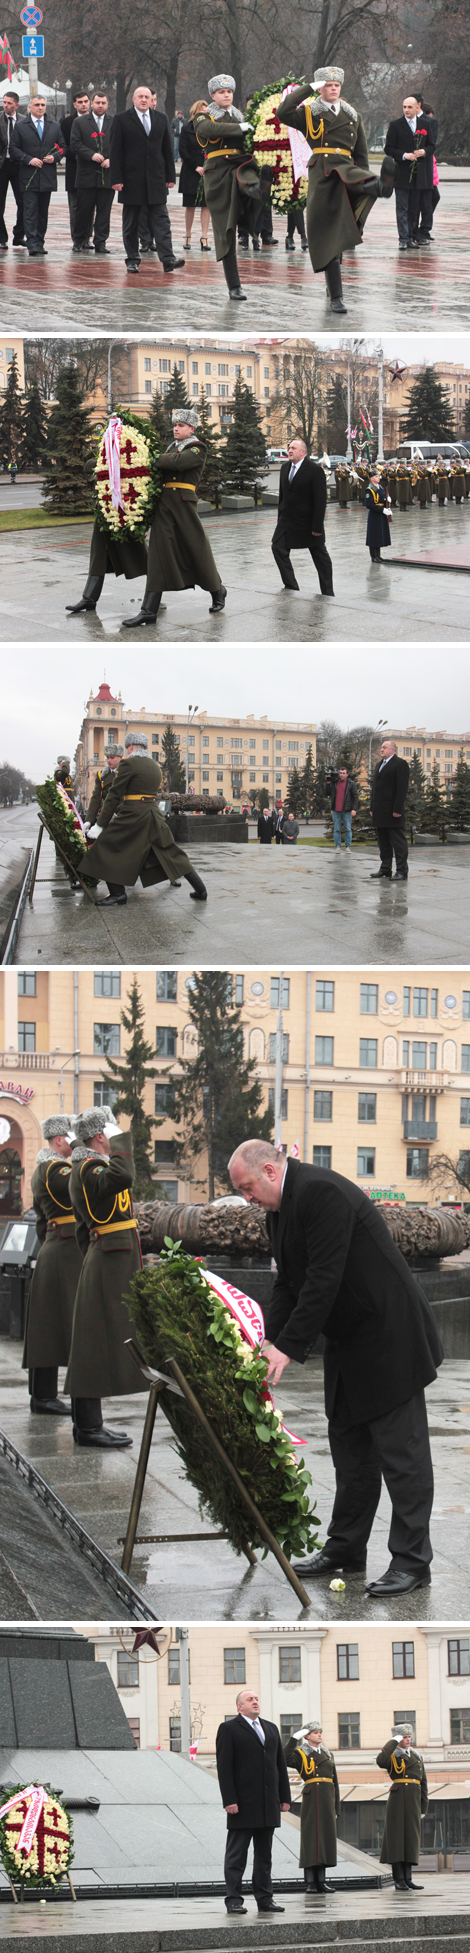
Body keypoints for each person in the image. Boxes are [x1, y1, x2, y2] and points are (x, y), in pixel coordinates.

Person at [228, 1141, 444, 1596]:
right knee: (351, 1450)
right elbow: (289, 1281)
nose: (246, 1198)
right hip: (350, 1338)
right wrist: (266, 1337)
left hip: (389, 1336)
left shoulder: (321, 1192)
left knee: (401, 1457)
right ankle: (345, 1549)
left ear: (269, 1170)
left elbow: (324, 1276)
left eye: (247, 1187)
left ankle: (412, 1562)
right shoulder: (279, 1208)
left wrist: (287, 1347)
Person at [277, 67, 394, 313]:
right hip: (323, 173)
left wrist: (363, 183)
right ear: (321, 88)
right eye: (328, 84)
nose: (333, 88)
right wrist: (308, 88)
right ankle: (335, 297)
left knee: (354, 181)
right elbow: (283, 112)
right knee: (328, 233)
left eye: (337, 85)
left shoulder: (354, 116)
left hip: (349, 174)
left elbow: (360, 156)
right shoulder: (309, 113)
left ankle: (380, 186)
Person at [65, 1109, 144, 1449]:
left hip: (109, 1259)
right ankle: (87, 1428)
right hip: (108, 1261)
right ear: (100, 1136)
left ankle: (90, 1425)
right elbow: (124, 1175)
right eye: (110, 1131)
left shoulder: (88, 1168)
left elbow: (84, 1228)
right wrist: (119, 1140)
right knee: (90, 1346)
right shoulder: (90, 1168)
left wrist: (94, 1254)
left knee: (94, 1344)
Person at [122, 408, 226, 628]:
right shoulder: (171, 448)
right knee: (158, 555)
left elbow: (178, 463)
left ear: (191, 428)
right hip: (164, 506)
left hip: (183, 506)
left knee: (197, 550)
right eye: (175, 425)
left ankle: (218, 590)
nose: (176, 429)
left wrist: (149, 457)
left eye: (180, 426)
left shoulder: (197, 447)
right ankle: (148, 611)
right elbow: (162, 465)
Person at [84, 730, 208, 906]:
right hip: (153, 813)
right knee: (171, 852)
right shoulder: (154, 766)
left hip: (133, 813)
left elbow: (114, 794)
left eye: (127, 748)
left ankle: (118, 893)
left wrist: (100, 824)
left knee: (106, 846)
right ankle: (200, 889)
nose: (127, 751)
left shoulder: (128, 764)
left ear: (131, 746)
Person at [22, 1114, 80, 1417]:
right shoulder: (55, 1169)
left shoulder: (45, 1169)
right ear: (60, 1139)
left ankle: (42, 1395)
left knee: (48, 1325)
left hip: (56, 1248)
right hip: (64, 1252)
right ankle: (44, 1397)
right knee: (59, 1326)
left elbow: (41, 1221)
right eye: (73, 1135)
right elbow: (85, 1189)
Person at [216, 1686, 291, 1915]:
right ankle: (234, 1900)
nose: (255, 1702)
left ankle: (265, 1899)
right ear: (240, 1707)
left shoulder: (270, 1728)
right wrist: (229, 1800)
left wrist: (284, 1797)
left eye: (257, 1698)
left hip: (268, 1805)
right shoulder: (229, 1729)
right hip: (242, 1805)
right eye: (250, 1699)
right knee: (237, 1856)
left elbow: (280, 1765)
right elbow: (225, 1768)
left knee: (264, 1857)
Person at [193, 77, 261, 299]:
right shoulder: (204, 115)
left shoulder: (241, 115)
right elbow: (209, 129)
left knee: (253, 185)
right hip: (218, 171)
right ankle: (234, 286)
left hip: (240, 167)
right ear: (213, 96)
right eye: (221, 92)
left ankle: (256, 202)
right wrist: (240, 128)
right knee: (225, 228)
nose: (226, 95)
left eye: (229, 91)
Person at [110, 84, 184, 274]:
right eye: (140, 96)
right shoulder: (121, 119)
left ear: (152, 100)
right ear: (133, 99)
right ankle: (132, 259)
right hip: (131, 180)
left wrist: (170, 176)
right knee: (131, 223)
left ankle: (168, 259)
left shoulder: (161, 118)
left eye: (147, 97)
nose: (144, 99)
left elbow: (167, 149)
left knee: (162, 222)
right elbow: (115, 151)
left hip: (156, 180)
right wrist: (116, 178)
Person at [271, 437, 334, 597]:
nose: (289, 450)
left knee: (320, 556)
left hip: (308, 523)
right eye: (289, 447)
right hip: (287, 522)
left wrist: (317, 527)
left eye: (293, 448)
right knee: (277, 548)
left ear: (303, 452)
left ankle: (328, 592)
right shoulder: (285, 468)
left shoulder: (314, 470)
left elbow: (320, 501)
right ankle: (291, 586)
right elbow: (283, 497)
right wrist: (280, 519)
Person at [284, 1722, 339, 1894]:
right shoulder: (300, 1752)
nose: (319, 1735)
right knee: (311, 1839)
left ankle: (321, 1881)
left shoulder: (327, 1753)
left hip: (327, 1798)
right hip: (312, 1796)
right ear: (307, 1736)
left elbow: (334, 1781)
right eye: (315, 1732)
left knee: (325, 1839)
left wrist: (336, 1806)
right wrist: (293, 1739)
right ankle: (310, 1882)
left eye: (320, 1732)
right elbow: (285, 1759)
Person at [10, 95, 63, 257]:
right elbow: (13, 149)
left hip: (47, 176)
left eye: (43, 105)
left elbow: (63, 147)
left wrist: (55, 157)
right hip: (28, 176)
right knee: (30, 211)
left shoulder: (54, 126)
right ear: (30, 107)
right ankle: (31, 242)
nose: (40, 107)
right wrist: (29, 159)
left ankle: (40, 242)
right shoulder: (20, 126)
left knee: (42, 212)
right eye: (37, 105)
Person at [377, 1726, 428, 1891]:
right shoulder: (392, 1755)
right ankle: (398, 1879)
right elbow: (381, 1760)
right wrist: (393, 1741)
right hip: (398, 1800)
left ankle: (408, 1878)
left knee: (410, 1840)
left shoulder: (416, 1756)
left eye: (409, 1736)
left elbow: (423, 1783)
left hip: (413, 1800)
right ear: (398, 1739)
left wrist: (423, 1806)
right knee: (397, 1840)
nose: (408, 1739)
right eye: (404, 1737)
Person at [384, 96, 435, 250]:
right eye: (404, 107)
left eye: (410, 107)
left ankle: (411, 237)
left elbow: (432, 146)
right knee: (402, 207)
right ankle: (403, 238)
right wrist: (404, 155)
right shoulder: (395, 125)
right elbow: (388, 148)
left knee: (413, 208)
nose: (406, 110)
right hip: (401, 173)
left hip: (419, 174)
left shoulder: (425, 124)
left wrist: (423, 151)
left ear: (417, 107)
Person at [70, 90, 115, 254]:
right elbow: (75, 144)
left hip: (108, 175)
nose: (100, 106)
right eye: (97, 103)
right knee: (83, 211)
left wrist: (112, 159)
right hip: (87, 174)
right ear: (92, 104)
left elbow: (121, 145)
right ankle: (79, 240)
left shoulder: (114, 122)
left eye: (103, 103)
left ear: (107, 104)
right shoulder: (80, 122)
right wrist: (91, 155)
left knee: (104, 212)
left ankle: (101, 242)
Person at [370, 737, 410, 882]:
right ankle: (385, 869)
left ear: (393, 750)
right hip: (380, 811)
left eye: (385, 747)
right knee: (383, 843)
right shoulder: (379, 765)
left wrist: (397, 808)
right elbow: (375, 788)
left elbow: (402, 788)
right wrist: (372, 806)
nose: (382, 749)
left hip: (393, 811)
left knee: (398, 843)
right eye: (381, 747)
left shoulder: (400, 764)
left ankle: (402, 871)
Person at [179, 102, 212, 249]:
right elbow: (182, 150)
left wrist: (208, 165)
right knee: (190, 205)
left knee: (206, 205)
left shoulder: (211, 128)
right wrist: (195, 166)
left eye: (206, 111)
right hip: (191, 169)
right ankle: (187, 235)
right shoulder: (186, 128)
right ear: (195, 113)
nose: (204, 114)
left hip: (208, 169)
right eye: (202, 111)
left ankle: (204, 237)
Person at [59, 90, 90, 244]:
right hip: (74, 169)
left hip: (93, 170)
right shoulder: (66, 123)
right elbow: (63, 146)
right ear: (74, 104)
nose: (83, 104)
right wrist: (84, 156)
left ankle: (87, 238)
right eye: (80, 102)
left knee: (90, 207)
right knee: (75, 207)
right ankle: (77, 239)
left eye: (85, 101)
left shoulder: (96, 120)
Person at [0, 90, 26, 248]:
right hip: (2, 165)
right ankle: (1, 238)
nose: (6, 105)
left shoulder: (24, 121)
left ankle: (19, 235)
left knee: (24, 202)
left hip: (19, 165)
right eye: (4, 102)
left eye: (9, 103)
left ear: (16, 105)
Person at [414, 95, 438, 241]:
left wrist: (420, 151)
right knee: (413, 203)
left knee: (427, 202)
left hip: (425, 166)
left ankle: (424, 232)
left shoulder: (431, 122)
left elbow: (431, 144)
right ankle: (413, 231)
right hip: (410, 165)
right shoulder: (405, 122)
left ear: (418, 105)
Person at [86, 742, 123, 823]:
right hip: (105, 814)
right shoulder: (101, 775)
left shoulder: (125, 773)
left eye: (112, 758)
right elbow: (96, 798)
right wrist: (89, 820)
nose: (109, 761)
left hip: (121, 815)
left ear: (121, 757)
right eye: (107, 757)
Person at [365, 470, 392, 563]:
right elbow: (369, 505)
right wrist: (382, 509)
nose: (379, 478)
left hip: (381, 514)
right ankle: (373, 556)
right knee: (374, 536)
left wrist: (387, 502)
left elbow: (382, 499)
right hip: (374, 515)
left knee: (379, 535)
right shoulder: (369, 489)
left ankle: (378, 555)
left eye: (379, 476)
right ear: (372, 478)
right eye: (376, 476)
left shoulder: (380, 487)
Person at [330, 765, 358, 850]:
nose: (342, 775)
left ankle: (347, 846)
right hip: (336, 810)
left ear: (347, 774)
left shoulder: (351, 784)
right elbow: (329, 794)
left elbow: (355, 797)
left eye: (343, 773)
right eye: (340, 773)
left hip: (347, 810)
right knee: (337, 829)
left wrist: (354, 809)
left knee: (348, 828)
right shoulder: (335, 783)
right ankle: (338, 846)